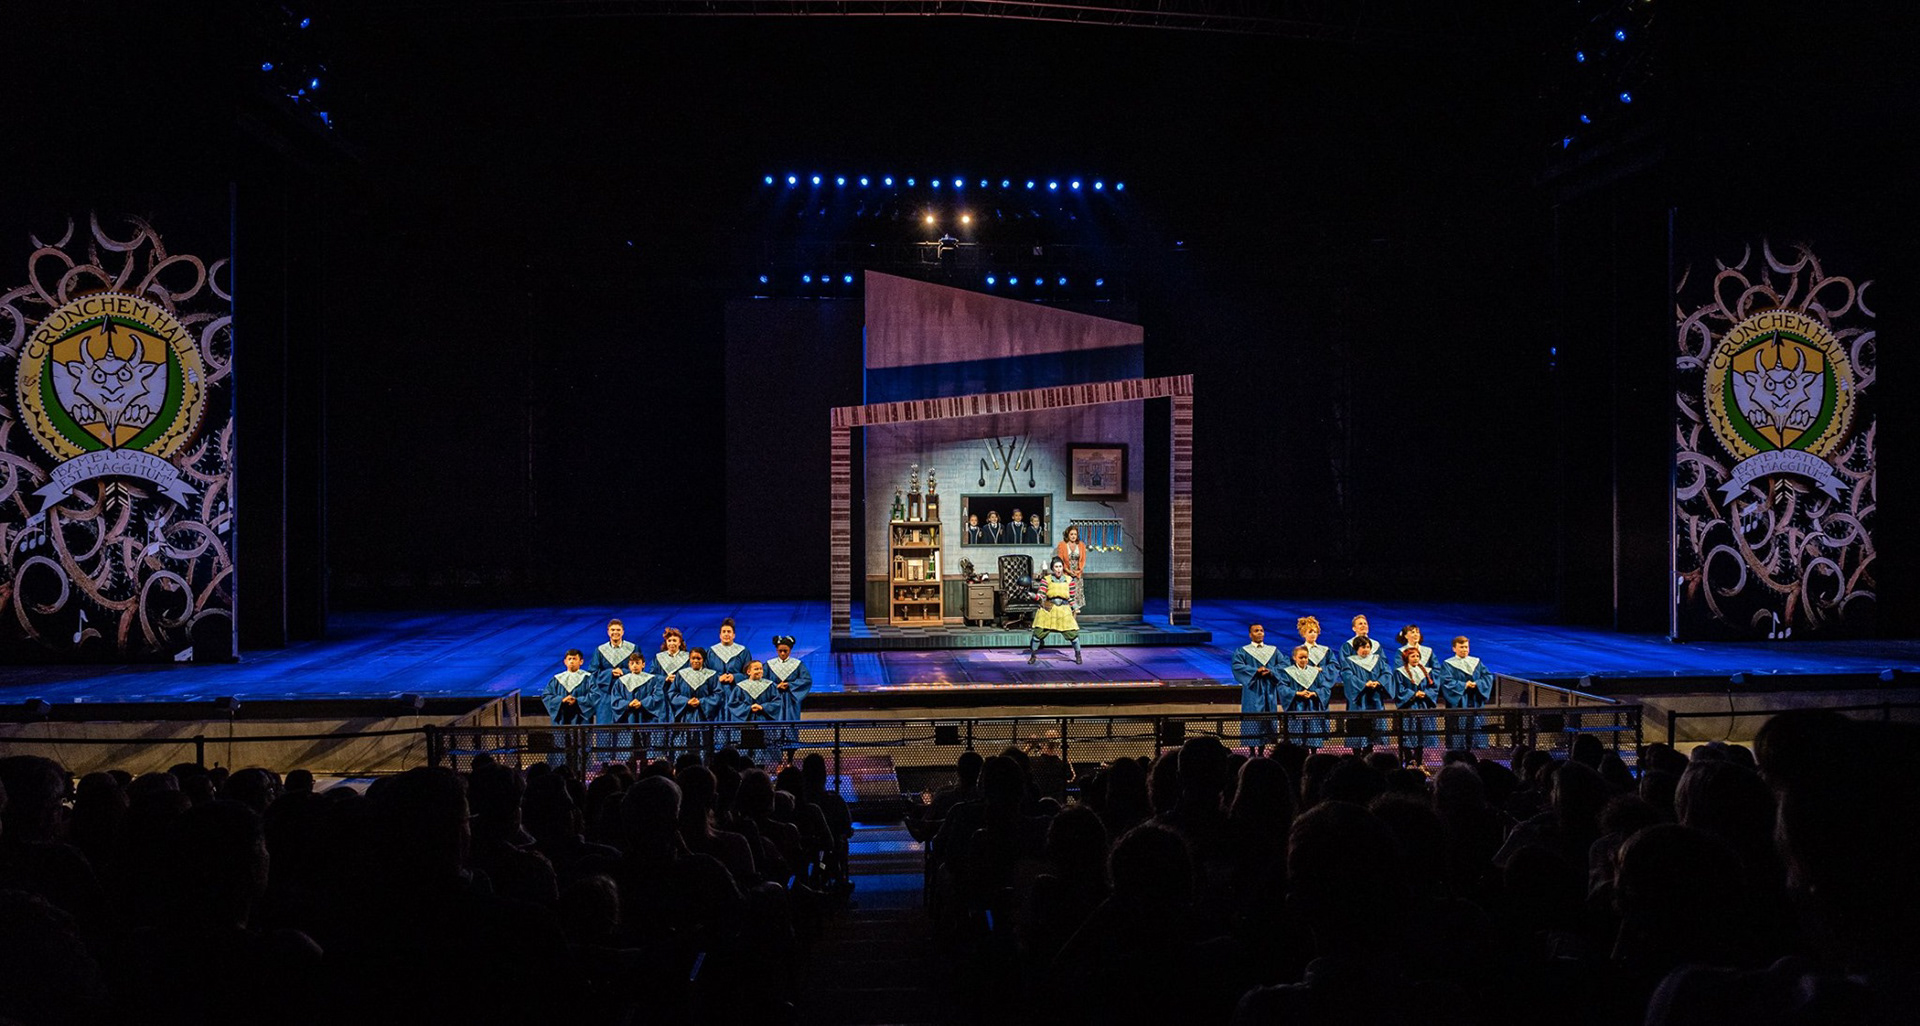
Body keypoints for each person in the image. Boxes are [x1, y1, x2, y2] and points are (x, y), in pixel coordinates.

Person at [1436, 635, 1496, 749]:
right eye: (1461, 647)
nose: (1464, 650)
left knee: (1475, 725)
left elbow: (1487, 676)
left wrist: (1477, 683)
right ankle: (1457, 749)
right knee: (1458, 728)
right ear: (1454, 649)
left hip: (1474, 699)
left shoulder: (1476, 662)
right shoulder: (1448, 664)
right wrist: (1464, 685)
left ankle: (1474, 748)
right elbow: (1446, 682)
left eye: (1466, 647)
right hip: (1459, 701)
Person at [1232, 623, 1282, 750]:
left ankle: (1262, 749)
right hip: (1253, 689)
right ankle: (1252, 750)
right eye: (1256, 631)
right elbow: (1237, 666)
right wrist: (1255, 671)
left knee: (1268, 717)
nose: (1260, 632)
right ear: (1250, 634)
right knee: (1252, 716)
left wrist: (1271, 671)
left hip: (1269, 689)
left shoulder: (1273, 650)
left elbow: (1284, 665)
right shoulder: (1243, 651)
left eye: (1261, 630)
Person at [1027, 556, 1082, 665]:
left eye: (1060, 566)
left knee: (1073, 635)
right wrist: (1033, 596)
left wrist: (1075, 607)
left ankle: (1078, 655)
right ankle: (1033, 656)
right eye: (1056, 567)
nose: (1058, 569)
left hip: (1063, 610)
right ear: (1052, 568)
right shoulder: (1046, 580)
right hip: (1049, 609)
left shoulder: (1069, 580)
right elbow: (1041, 596)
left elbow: (1071, 598)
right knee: (1037, 634)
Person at [1340, 636, 1391, 752]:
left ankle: (1369, 751)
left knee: (1373, 727)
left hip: (1374, 699)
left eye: (1368, 647)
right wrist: (1363, 684)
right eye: (1363, 647)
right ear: (1356, 648)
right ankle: (1356, 754)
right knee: (1357, 727)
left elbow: (1387, 673)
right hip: (1359, 700)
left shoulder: (1377, 660)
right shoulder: (1349, 661)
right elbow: (1348, 677)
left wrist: (1379, 682)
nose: (1366, 649)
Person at [764, 635, 812, 757]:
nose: (783, 653)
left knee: (791, 729)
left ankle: (790, 759)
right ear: (776, 650)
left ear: (790, 650)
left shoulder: (797, 664)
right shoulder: (769, 665)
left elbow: (806, 680)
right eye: (780, 651)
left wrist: (790, 685)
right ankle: (778, 760)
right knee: (775, 729)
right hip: (775, 701)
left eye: (785, 651)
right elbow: (763, 681)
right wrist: (775, 686)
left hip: (791, 701)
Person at [1393, 645, 1441, 756]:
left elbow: (1433, 687)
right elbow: (1399, 689)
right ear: (1407, 658)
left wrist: (1426, 693)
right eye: (1412, 656)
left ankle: (1419, 760)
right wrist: (1413, 694)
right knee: (1408, 733)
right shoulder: (1400, 672)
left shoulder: (1426, 671)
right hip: (1408, 707)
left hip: (1423, 705)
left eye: (1417, 656)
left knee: (1421, 733)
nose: (1415, 658)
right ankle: (1408, 759)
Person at [1280, 644, 1331, 749]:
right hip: (1296, 707)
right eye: (1301, 657)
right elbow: (1282, 688)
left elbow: (1325, 688)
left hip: (1312, 707)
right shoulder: (1288, 672)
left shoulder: (1315, 672)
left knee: (1313, 734)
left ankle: (1313, 753)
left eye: (1306, 657)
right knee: (1297, 738)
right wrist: (1297, 693)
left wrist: (1314, 693)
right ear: (1294, 658)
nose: (1303, 660)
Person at [542, 649, 599, 725]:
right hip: (562, 717)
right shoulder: (557, 679)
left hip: (581, 719)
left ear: (581, 661)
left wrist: (577, 700)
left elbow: (595, 695)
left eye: (574, 659)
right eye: (569, 659)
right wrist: (561, 700)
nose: (571, 661)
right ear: (565, 662)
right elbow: (546, 695)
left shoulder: (588, 678)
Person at [671, 647, 720, 723]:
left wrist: (701, 702)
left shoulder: (711, 675)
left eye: (698, 658)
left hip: (704, 716)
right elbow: (672, 693)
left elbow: (717, 694)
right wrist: (686, 701)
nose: (696, 661)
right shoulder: (681, 674)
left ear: (703, 659)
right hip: (685, 715)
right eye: (693, 658)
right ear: (689, 659)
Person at [586, 618, 637, 690]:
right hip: (605, 689)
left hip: (627, 688)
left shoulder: (633, 648)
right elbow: (593, 672)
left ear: (623, 632)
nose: (615, 632)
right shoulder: (600, 650)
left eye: (618, 630)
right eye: (612, 630)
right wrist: (610, 672)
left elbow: (639, 670)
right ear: (608, 632)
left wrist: (623, 672)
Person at [706, 618, 752, 691]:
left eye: (729, 632)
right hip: (716, 690)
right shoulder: (711, 652)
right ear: (720, 635)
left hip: (737, 690)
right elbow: (706, 672)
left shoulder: (743, 651)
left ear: (734, 635)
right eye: (724, 631)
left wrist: (735, 677)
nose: (726, 634)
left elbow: (749, 674)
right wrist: (718, 678)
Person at [1056, 524, 1089, 612]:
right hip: (1066, 573)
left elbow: (1083, 560)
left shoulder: (1081, 545)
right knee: (1067, 597)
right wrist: (1068, 571)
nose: (1073, 536)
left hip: (1077, 575)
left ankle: (1074, 619)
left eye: (1075, 534)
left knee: (1076, 599)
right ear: (1067, 535)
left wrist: (1078, 571)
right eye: (1071, 534)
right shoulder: (1062, 544)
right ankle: (1067, 619)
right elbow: (1060, 560)